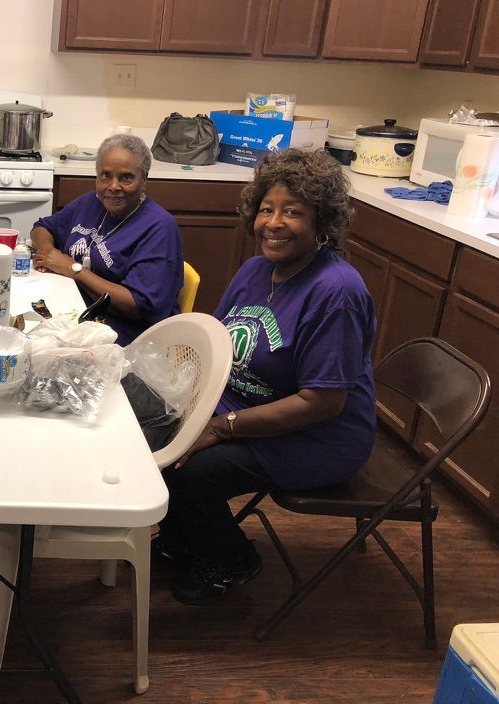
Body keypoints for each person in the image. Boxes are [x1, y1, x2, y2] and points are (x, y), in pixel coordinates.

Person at [157, 148, 377, 606]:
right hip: (246, 407)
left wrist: (219, 427)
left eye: (292, 212)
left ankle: (231, 559)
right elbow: (217, 345)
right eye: (266, 209)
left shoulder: (336, 292)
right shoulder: (256, 269)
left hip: (318, 436)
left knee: (192, 470)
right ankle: (183, 539)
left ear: (322, 221)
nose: (273, 223)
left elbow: (322, 403)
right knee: (155, 430)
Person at [30, 133, 183, 345]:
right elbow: (42, 227)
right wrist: (49, 252)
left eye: (126, 178)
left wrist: (74, 270)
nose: (113, 186)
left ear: (144, 180)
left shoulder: (159, 227)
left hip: (123, 338)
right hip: (77, 313)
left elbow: (137, 306)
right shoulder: (91, 202)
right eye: (105, 176)